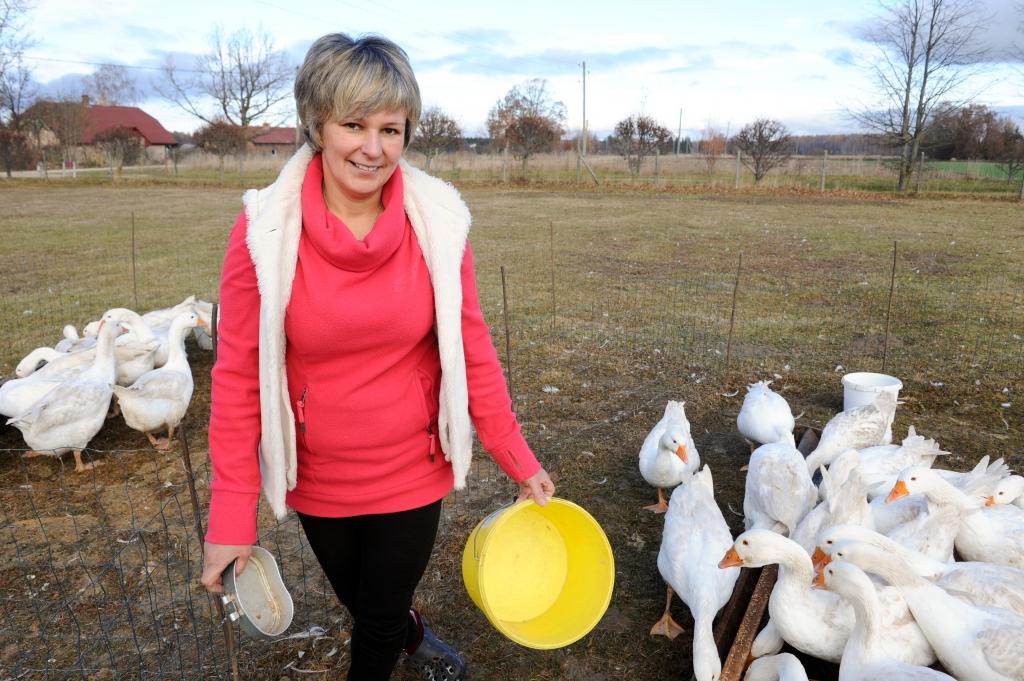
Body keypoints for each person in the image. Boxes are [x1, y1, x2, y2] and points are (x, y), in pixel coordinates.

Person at [199, 32, 555, 681]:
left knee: (376, 620)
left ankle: (392, 637)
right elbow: (236, 380)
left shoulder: (440, 224)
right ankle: (409, 629)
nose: (373, 146)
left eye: (391, 128)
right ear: (317, 123)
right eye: (354, 124)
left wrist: (518, 456)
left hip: (409, 469)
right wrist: (231, 515)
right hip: (319, 476)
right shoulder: (263, 233)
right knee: (364, 602)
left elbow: (473, 349)